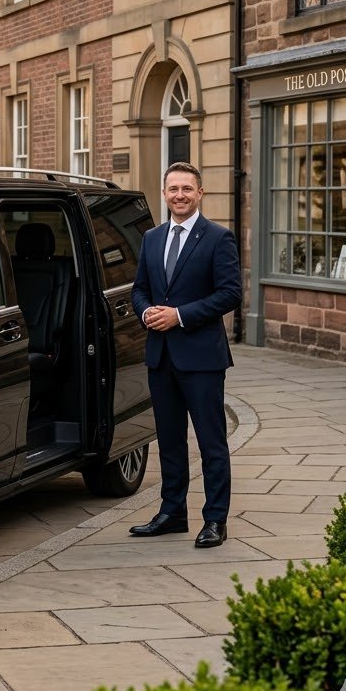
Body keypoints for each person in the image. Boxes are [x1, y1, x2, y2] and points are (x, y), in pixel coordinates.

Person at [129, 161, 242, 548]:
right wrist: (145, 312)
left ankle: (215, 521)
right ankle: (172, 512)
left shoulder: (217, 238)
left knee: (211, 442)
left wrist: (179, 316)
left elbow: (230, 294)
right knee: (170, 440)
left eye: (186, 189)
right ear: (164, 193)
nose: (179, 195)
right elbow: (139, 288)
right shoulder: (152, 238)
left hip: (201, 359)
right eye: (173, 189)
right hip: (160, 356)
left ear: (199, 193)